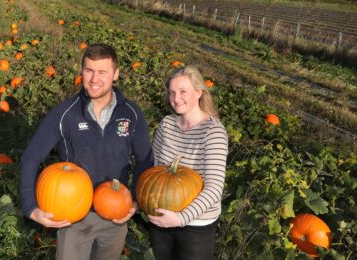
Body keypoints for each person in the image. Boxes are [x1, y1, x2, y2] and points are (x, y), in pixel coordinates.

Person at [20, 43, 154, 260]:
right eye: (89, 70)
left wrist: (137, 201)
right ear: (81, 71)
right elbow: (31, 156)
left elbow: (145, 160)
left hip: (116, 215)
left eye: (102, 71)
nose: (94, 79)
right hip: (74, 217)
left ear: (116, 74)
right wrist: (31, 207)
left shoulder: (131, 113)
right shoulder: (65, 113)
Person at [147, 65, 228, 260]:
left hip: (196, 226)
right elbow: (155, 170)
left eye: (183, 92)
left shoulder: (213, 133)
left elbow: (215, 187)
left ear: (199, 92)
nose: (176, 98)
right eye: (172, 92)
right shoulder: (166, 125)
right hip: (162, 219)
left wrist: (181, 218)